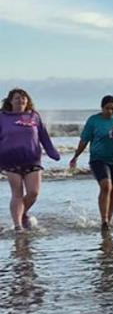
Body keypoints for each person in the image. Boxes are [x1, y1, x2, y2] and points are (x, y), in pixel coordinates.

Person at [67, 95, 113, 229]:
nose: (110, 111)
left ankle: (109, 220)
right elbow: (84, 140)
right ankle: (104, 220)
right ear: (102, 108)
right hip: (98, 159)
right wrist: (75, 156)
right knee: (106, 186)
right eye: (107, 108)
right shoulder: (93, 121)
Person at [0, 88, 60, 231]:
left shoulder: (34, 116)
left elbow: (44, 137)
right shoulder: (2, 117)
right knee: (17, 193)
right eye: (16, 98)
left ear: (27, 101)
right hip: (10, 160)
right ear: (10, 101)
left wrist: (53, 152)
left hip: (32, 160)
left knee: (33, 193)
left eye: (23, 98)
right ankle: (18, 226)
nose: (20, 100)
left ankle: (22, 213)